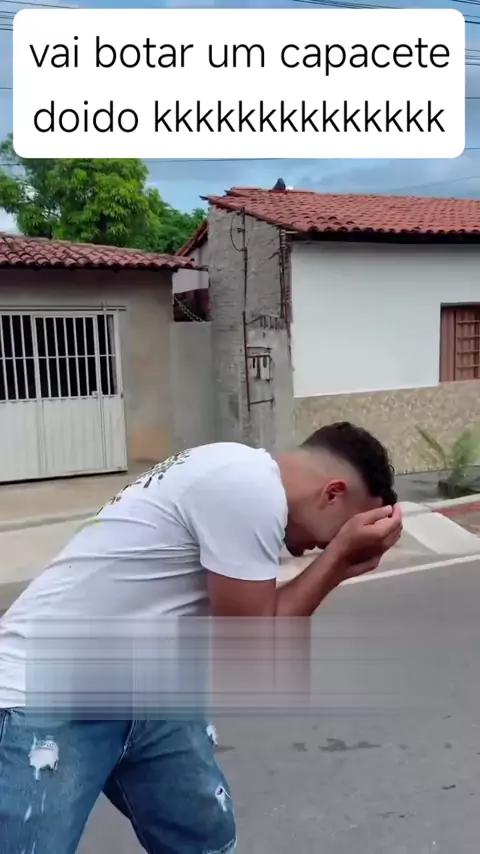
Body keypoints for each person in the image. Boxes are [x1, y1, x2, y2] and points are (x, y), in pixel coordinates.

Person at [0, 421, 402, 854]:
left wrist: (337, 557)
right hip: (47, 691)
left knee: (205, 843)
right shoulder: (247, 487)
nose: (318, 547)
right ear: (333, 493)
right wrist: (338, 560)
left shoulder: (235, 472)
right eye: (336, 533)